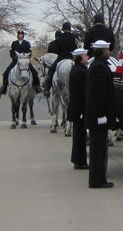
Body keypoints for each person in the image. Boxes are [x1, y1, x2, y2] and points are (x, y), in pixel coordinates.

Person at [84, 39, 115, 188]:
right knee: (98, 150)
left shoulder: (98, 65)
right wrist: (100, 115)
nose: (109, 52)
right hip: (98, 117)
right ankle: (97, 180)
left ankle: (99, 179)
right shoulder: (99, 67)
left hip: (98, 116)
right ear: (102, 51)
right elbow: (97, 94)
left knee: (99, 149)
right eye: (108, 50)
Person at [67, 47, 90, 170]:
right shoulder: (80, 71)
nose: (88, 57)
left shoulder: (78, 69)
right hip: (79, 109)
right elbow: (81, 93)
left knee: (79, 135)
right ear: (80, 58)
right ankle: (80, 161)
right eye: (86, 55)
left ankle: (79, 160)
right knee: (80, 136)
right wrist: (82, 111)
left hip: (77, 109)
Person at [0, 30, 39, 95]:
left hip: (25, 61)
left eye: (22, 35)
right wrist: (15, 58)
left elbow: (29, 52)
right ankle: (4, 87)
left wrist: (26, 57)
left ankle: (37, 86)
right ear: (18, 35)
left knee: (34, 72)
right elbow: (12, 52)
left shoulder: (27, 43)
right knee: (5, 73)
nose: (20, 36)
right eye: (19, 34)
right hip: (15, 61)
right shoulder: (14, 43)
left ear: (23, 35)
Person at [44, 21, 79, 95]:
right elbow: (77, 48)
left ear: (63, 29)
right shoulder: (75, 37)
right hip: (73, 58)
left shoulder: (60, 37)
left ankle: (47, 89)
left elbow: (57, 50)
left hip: (61, 58)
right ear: (70, 28)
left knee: (51, 71)